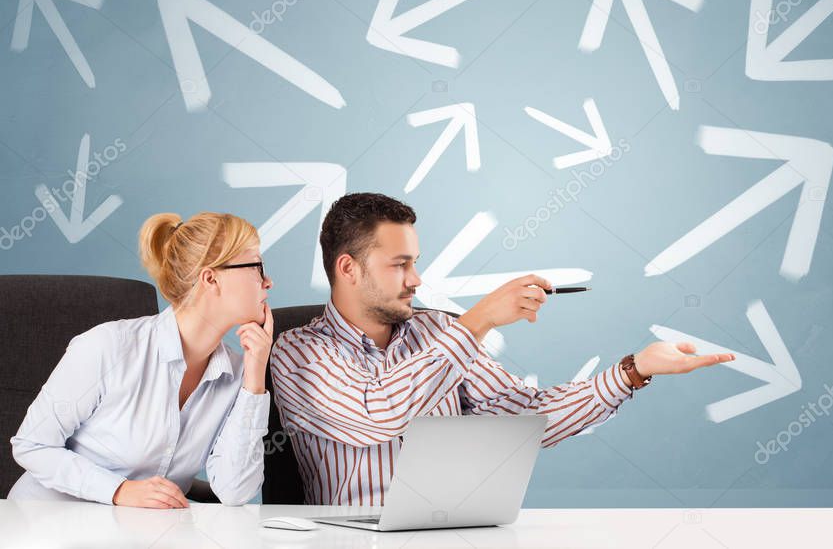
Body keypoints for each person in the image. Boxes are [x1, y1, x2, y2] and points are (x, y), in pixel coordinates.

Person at [270, 193, 735, 505]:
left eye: (416, 263)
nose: (416, 280)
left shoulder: (438, 332)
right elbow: (381, 413)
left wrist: (632, 371)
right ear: (348, 269)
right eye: (400, 265)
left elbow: (523, 417)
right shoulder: (298, 352)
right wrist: (480, 318)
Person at [8, 212, 274, 507]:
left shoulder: (239, 374)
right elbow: (31, 445)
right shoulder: (109, 347)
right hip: (47, 523)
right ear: (211, 278)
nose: (268, 282)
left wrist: (254, 380)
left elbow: (235, 491)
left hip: (134, 533)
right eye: (257, 267)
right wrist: (119, 490)